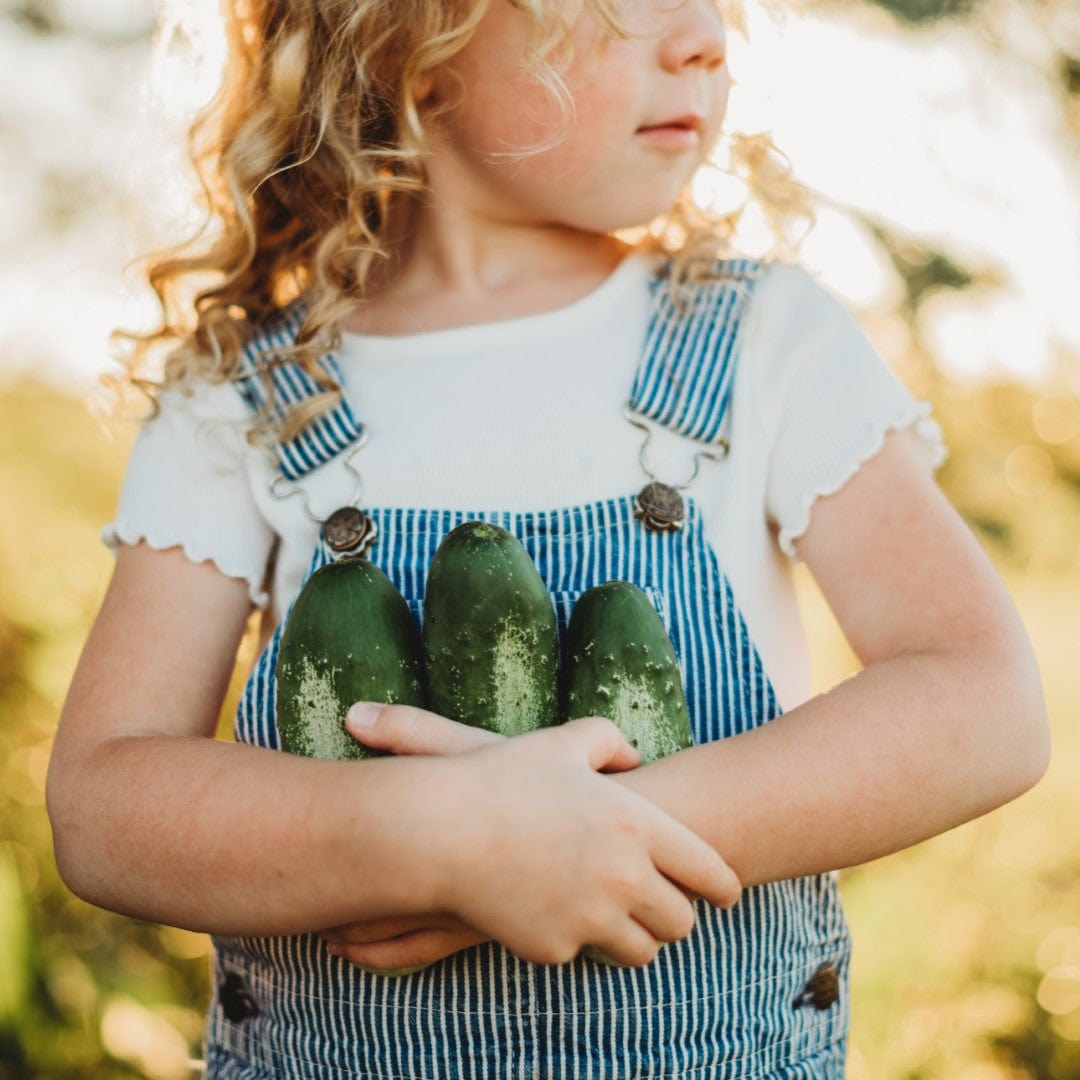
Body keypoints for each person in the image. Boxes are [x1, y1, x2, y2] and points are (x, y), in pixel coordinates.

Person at [47, 0, 1050, 1075]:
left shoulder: (762, 341)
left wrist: (594, 833)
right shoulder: (250, 392)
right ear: (412, 54)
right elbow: (104, 804)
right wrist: (432, 838)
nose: (703, 37)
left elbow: (982, 701)